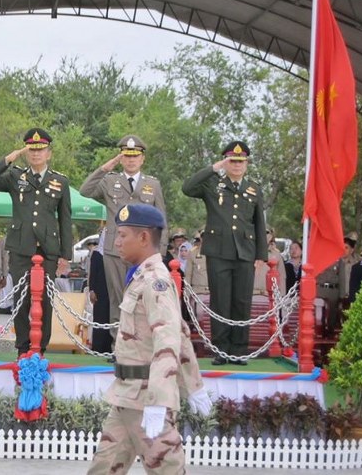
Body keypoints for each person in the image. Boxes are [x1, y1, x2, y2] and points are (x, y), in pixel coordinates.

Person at [87, 204, 210, 475]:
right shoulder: (140, 276)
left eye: (122, 235)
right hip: (126, 395)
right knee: (104, 468)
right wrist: (194, 384)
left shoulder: (156, 281)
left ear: (143, 238)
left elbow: (168, 340)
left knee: (166, 470)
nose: (117, 242)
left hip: (146, 398)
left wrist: (159, 400)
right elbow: (180, 333)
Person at [0, 127, 73, 355]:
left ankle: (40, 348)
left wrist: (65, 255)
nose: (36, 154)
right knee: (21, 299)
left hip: (48, 250)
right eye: (31, 150)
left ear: (49, 153)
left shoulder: (60, 181)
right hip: (21, 247)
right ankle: (23, 347)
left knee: (46, 302)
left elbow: (65, 219)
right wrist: (9, 159)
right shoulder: (16, 176)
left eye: (40, 150)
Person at [182, 141, 267, 365]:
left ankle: (238, 350)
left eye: (241, 161)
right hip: (218, 252)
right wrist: (214, 168)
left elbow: (259, 223)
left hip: (245, 253)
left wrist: (261, 255)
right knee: (220, 301)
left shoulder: (254, 188)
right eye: (232, 161)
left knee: (242, 302)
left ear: (246, 163)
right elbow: (187, 188)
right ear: (225, 162)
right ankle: (221, 350)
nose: (237, 165)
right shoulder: (213, 184)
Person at [79, 134, 167, 341]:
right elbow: (85, 191)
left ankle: (141, 343)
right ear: (120, 158)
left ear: (142, 158)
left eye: (135, 156)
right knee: (118, 299)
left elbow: (162, 219)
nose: (131, 160)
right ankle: (119, 346)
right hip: (115, 249)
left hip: (144, 252)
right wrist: (104, 168)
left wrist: (160, 252)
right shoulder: (110, 180)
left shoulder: (152, 184)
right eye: (127, 156)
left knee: (144, 298)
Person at [87, 230, 113, 353]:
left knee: (111, 317)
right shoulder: (97, 254)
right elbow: (93, 274)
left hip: (112, 291)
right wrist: (92, 290)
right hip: (99, 291)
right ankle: (98, 348)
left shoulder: (115, 255)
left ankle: (110, 347)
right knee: (100, 317)